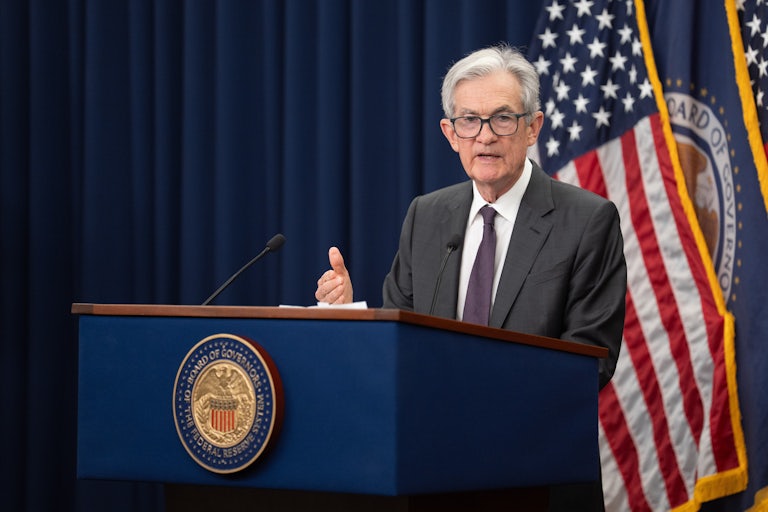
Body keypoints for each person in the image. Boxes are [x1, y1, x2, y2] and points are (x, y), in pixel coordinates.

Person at [316, 45, 626, 509]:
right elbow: (398, 341)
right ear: (450, 132)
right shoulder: (427, 215)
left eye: (502, 118)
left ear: (532, 127)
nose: (485, 136)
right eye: (469, 121)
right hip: (432, 476)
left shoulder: (587, 220)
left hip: (536, 480)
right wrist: (351, 319)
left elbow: (589, 362)